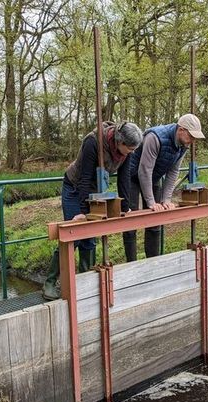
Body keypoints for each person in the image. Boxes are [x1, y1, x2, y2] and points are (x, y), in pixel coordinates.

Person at [42, 121, 143, 300]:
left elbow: (124, 178)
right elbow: (85, 178)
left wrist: (126, 207)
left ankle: (83, 283)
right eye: (130, 148)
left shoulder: (126, 152)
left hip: (96, 192)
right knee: (75, 235)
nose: (132, 152)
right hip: (75, 188)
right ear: (120, 142)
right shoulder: (93, 142)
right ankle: (50, 283)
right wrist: (82, 211)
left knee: (90, 239)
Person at [122, 113, 205, 262]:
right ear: (181, 130)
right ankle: (131, 264)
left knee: (156, 219)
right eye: (191, 136)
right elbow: (144, 170)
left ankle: (153, 263)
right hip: (132, 176)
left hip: (154, 177)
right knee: (130, 220)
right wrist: (151, 202)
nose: (192, 141)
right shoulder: (155, 137)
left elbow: (173, 171)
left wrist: (166, 199)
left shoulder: (183, 144)